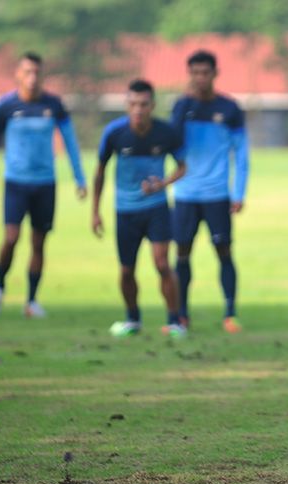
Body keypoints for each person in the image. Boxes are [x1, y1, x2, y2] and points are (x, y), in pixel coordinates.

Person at [0, 52, 87, 318]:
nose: (32, 78)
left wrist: (79, 177)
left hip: (44, 184)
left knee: (39, 243)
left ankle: (31, 300)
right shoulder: (6, 106)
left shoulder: (53, 104)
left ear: (43, 75)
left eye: (37, 72)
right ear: (18, 74)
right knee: (11, 238)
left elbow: (70, 142)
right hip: (16, 183)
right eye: (27, 72)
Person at [91, 79, 187, 338]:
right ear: (126, 105)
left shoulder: (166, 133)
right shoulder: (114, 134)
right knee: (126, 270)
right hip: (125, 211)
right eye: (133, 104)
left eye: (144, 104)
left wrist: (163, 183)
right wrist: (95, 211)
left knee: (161, 264)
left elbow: (182, 167)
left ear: (152, 105)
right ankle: (132, 319)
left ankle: (174, 320)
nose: (139, 110)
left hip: (156, 208)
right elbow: (99, 172)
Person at [170, 50, 250, 333]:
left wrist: (238, 192)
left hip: (217, 194)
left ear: (215, 74)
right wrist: (182, 107)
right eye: (195, 73)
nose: (200, 78)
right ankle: (181, 314)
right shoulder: (181, 107)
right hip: (185, 194)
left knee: (224, 251)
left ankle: (230, 313)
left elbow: (241, 153)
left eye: (205, 72)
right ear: (189, 75)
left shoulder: (230, 109)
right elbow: (172, 144)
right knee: (181, 253)